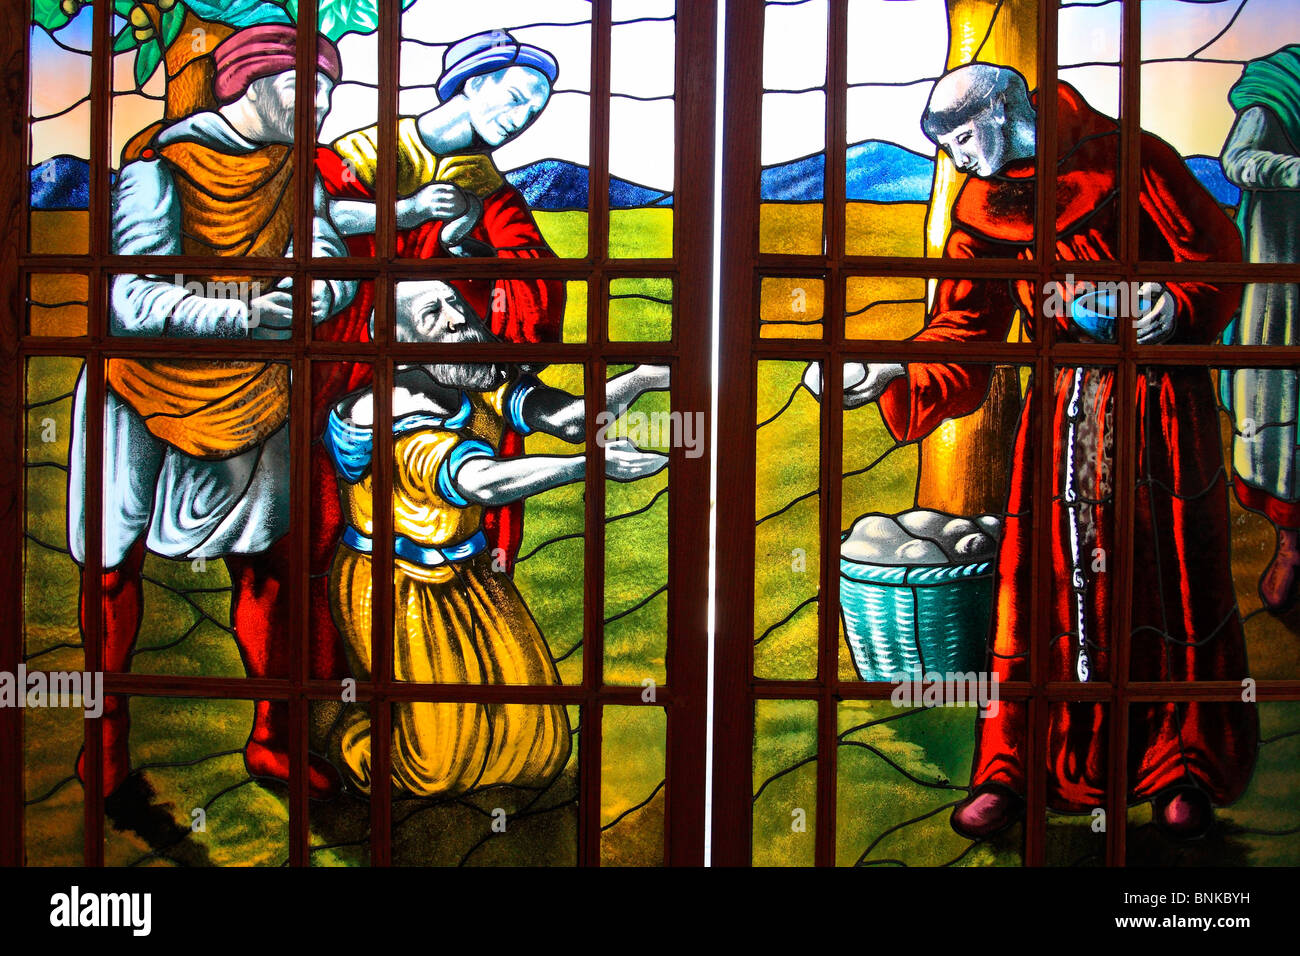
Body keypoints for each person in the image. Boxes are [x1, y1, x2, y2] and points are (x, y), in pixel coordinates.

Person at [819, 64, 1257, 840]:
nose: (952, 159)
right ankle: (1015, 770)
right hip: (1058, 416)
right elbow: (965, 326)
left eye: (959, 138)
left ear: (1002, 112)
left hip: (1160, 408)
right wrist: (889, 365)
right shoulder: (979, 206)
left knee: (1172, 576)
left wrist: (1177, 304)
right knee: (1037, 594)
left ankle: (1180, 763)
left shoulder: (1134, 161)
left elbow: (1218, 257)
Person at [67, 24, 356, 800]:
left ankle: (271, 739)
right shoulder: (161, 169)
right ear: (247, 86)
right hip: (142, 392)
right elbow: (128, 297)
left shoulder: (298, 174)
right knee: (109, 572)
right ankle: (105, 739)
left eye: (330, 91)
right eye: (306, 89)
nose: (321, 107)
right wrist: (245, 314)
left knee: (269, 569)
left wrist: (319, 291)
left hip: (256, 394)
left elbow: (327, 252)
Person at [322, 281, 668, 796]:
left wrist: (641, 378)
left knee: (540, 748)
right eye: (432, 313)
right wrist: (590, 466)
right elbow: (480, 479)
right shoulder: (380, 415)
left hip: (473, 575)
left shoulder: (469, 377)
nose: (459, 317)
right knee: (436, 766)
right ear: (397, 341)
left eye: (458, 303)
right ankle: (344, 732)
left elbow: (573, 421)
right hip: (393, 588)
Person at [306, 30, 567, 707]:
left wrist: (473, 246)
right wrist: (410, 214)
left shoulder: (489, 189)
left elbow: (534, 280)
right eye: (514, 97)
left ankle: (445, 673)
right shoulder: (368, 151)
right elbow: (312, 223)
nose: (522, 117)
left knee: (457, 515)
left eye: (534, 109)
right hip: (356, 367)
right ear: (471, 82)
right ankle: (342, 679)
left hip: (451, 374)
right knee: (333, 518)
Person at [1219, 44, 1300, 611]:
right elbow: (1237, 159)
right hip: (1286, 283)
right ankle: (1292, 545)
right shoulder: (1281, 83)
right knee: (1283, 416)